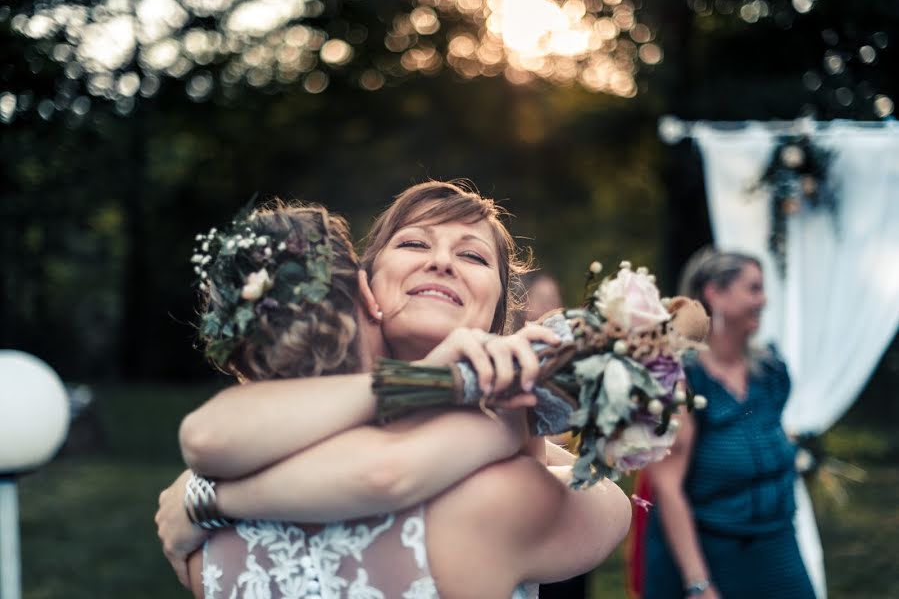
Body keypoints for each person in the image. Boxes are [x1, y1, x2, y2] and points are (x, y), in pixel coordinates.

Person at [156, 182, 632, 598]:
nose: (442, 262)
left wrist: (203, 497)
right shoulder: (244, 439)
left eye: (472, 255)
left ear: (498, 312)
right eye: (414, 243)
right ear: (366, 287)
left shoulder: (230, 471)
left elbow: (603, 498)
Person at [640, 248, 814, 599]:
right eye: (753, 288)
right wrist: (698, 582)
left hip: (777, 542)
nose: (763, 301)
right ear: (714, 293)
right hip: (710, 551)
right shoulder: (681, 377)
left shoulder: (771, 371)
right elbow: (667, 486)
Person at [515, 270, 588, 599]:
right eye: (543, 301)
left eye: (555, 300)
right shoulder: (512, 367)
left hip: (571, 501)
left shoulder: (572, 361)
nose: (552, 308)